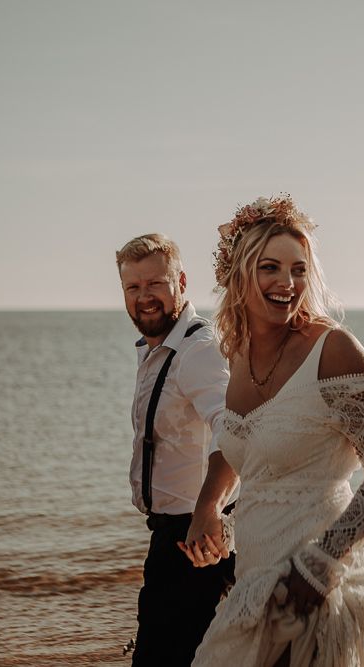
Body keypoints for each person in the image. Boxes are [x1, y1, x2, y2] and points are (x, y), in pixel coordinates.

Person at [179, 196, 364, 666]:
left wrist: (320, 566)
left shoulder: (334, 351)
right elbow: (264, 471)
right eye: (270, 268)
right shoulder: (238, 355)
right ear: (240, 276)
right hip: (253, 587)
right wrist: (219, 523)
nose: (287, 283)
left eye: (298, 270)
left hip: (313, 596)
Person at [116, 233, 236, 667]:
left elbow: (233, 432)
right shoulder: (156, 349)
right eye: (133, 287)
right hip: (172, 535)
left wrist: (209, 510)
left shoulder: (198, 350)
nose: (144, 297)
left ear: (181, 282)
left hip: (195, 540)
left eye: (155, 284)